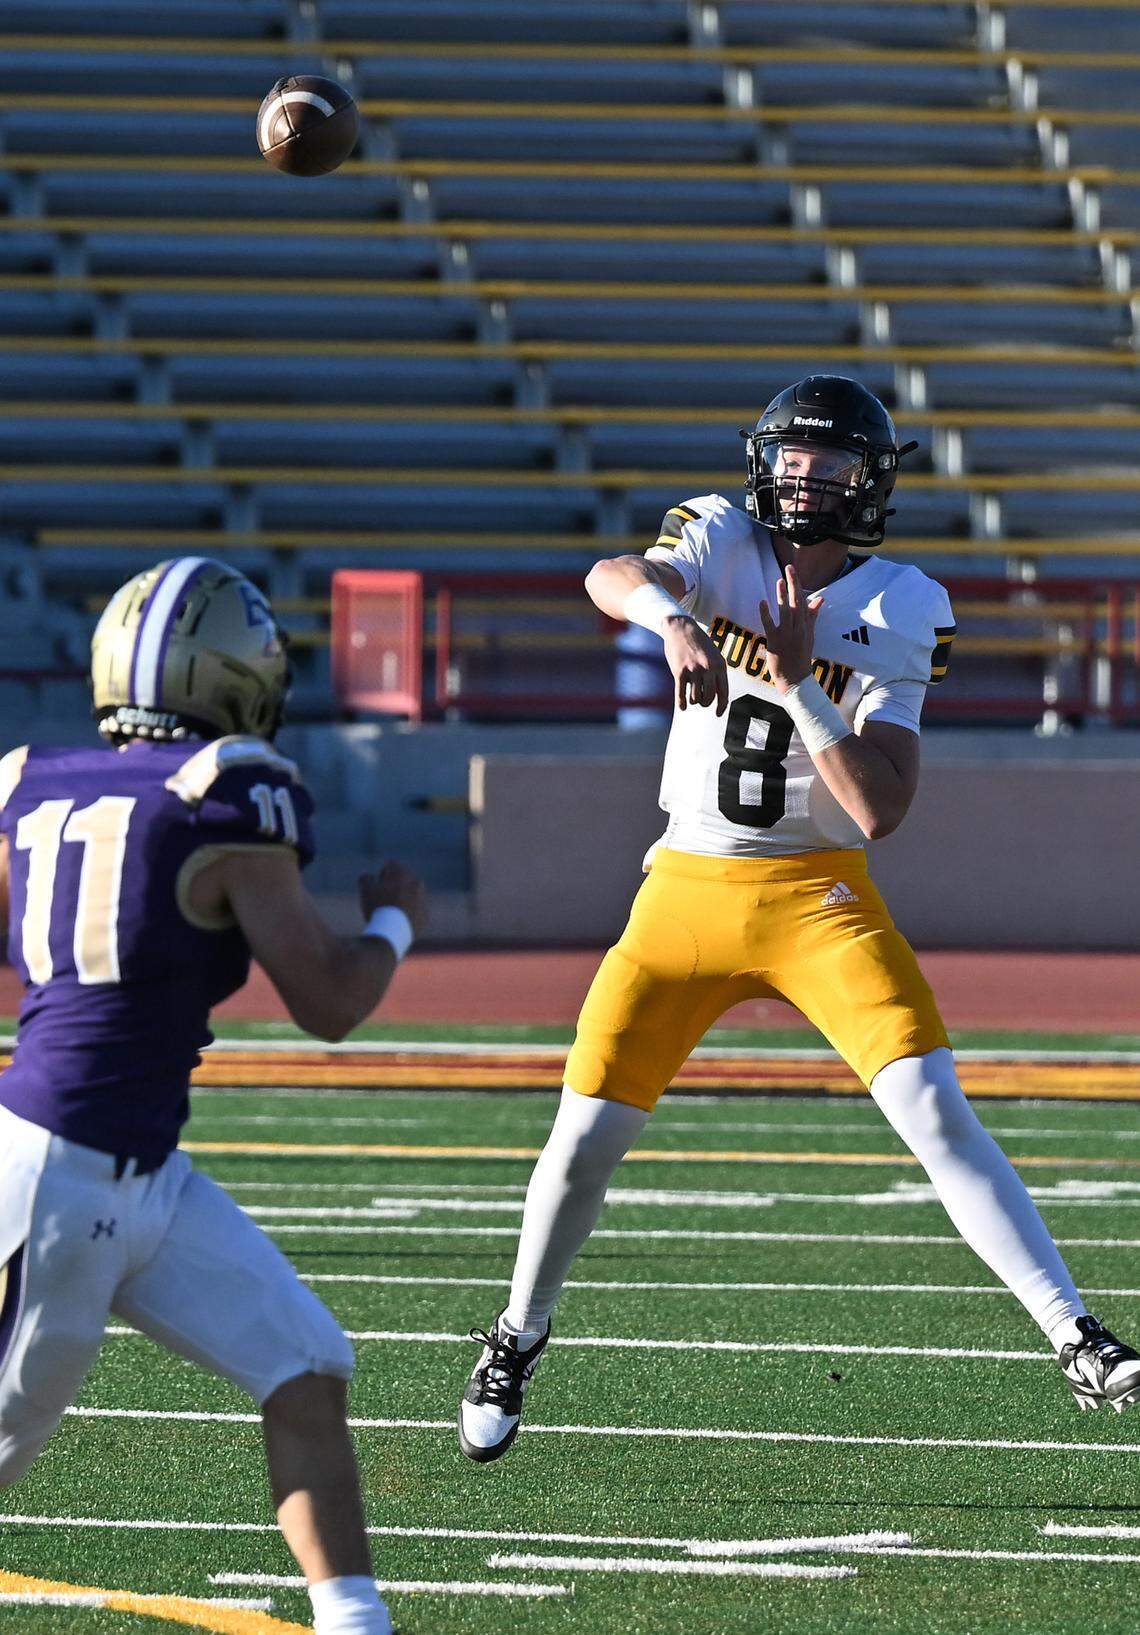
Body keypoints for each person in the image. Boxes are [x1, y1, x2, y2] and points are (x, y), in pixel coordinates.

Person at [457, 374, 1140, 1463]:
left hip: (817, 892)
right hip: (685, 885)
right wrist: (676, 620)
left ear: (871, 482)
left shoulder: (905, 602)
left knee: (933, 1106)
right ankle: (515, 1336)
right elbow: (609, 573)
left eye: (829, 464)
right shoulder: (720, 537)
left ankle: (1075, 1335)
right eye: (790, 457)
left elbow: (879, 810)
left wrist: (798, 686)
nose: (804, 478)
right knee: (583, 1135)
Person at [0, 557, 426, 1635]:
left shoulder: (28, 781)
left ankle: (356, 1622)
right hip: (63, 1184)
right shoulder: (227, 792)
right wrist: (393, 924)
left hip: (135, 1170)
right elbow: (329, 1001)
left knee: (306, 1361)